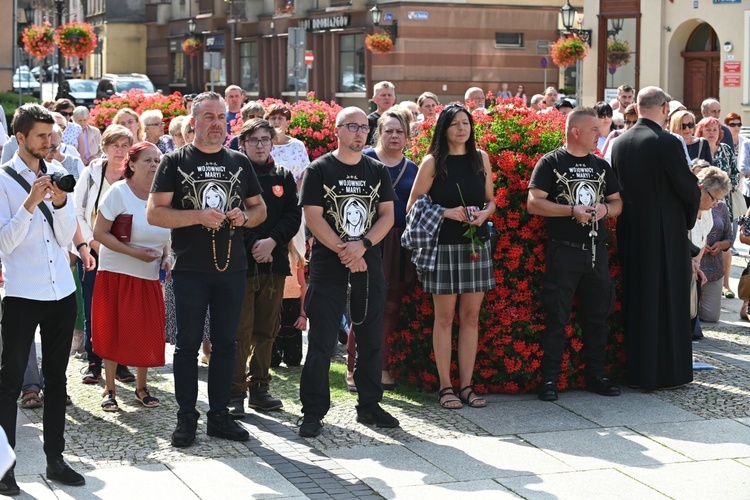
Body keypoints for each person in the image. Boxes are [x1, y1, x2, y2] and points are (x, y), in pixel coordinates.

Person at [148, 91, 266, 448]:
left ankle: (219, 415)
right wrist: (198, 216)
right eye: (210, 117)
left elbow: (259, 209)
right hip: (190, 269)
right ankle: (187, 416)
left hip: (232, 267)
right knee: (186, 345)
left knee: (227, 344)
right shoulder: (174, 160)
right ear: (194, 122)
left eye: (222, 118)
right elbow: (155, 213)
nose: (217, 124)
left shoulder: (239, 162)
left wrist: (244, 217)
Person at [0, 104, 85, 495]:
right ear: (21, 138)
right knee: (10, 382)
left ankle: (56, 459)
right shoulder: (2, 180)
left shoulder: (57, 177)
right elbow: (5, 243)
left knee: (57, 380)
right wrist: (30, 204)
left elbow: (66, 235)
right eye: (41, 137)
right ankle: (4, 468)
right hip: (21, 294)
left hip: (61, 293)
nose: (49, 143)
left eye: (51, 136)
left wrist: (62, 203)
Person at [298, 106, 398, 437]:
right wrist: (346, 250)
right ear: (337, 130)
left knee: (370, 340)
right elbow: (313, 218)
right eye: (352, 126)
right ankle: (312, 411)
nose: (359, 132)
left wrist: (363, 246)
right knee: (322, 342)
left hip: (367, 263)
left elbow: (387, 216)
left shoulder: (377, 170)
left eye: (364, 127)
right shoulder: (319, 169)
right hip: (329, 267)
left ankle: (369, 406)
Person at [527, 107, 623, 401]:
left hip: (596, 251)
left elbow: (617, 202)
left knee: (598, 316)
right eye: (594, 129)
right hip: (564, 252)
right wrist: (572, 211)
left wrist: (605, 210)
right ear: (576, 132)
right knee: (557, 317)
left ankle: (596, 375)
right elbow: (533, 203)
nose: (599, 134)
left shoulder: (601, 165)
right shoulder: (551, 162)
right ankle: (549, 380)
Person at [406, 104, 495, 410]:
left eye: (466, 123)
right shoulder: (432, 162)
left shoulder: (481, 158)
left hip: (476, 246)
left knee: (471, 318)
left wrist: (483, 215)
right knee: (444, 319)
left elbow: (491, 201)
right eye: (455, 123)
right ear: (444, 129)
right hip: (442, 248)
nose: (462, 128)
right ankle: (446, 388)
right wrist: (446, 212)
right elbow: (412, 207)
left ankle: (467, 386)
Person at [611, 86, 701, 390]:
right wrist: (689, 216)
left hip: (630, 232)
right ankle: (668, 372)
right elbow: (688, 188)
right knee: (667, 302)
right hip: (664, 235)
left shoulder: (620, 143)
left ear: (637, 107)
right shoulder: (667, 142)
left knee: (638, 299)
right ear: (664, 108)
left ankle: (638, 371)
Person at [228, 118, 301, 417]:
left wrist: (272, 242)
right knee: (240, 330)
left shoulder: (282, 175)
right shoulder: (234, 173)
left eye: (265, 140)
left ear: (272, 143)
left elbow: (292, 217)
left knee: (267, 330)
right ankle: (235, 392)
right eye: (254, 140)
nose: (260, 145)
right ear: (242, 143)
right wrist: (255, 245)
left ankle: (260, 387)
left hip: (276, 262)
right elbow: (231, 215)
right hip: (242, 264)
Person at [92, 142, 172, 411]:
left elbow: (168, 232)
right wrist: (134, 253)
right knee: (112, 330)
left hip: (148, 274)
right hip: (116, 271)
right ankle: (110, 389)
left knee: (146, 331)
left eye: (157, 160)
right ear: (133, 163)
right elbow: (99, 233)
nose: (154, 165)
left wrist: (168, 256)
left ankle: (141, 388)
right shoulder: (119, 192)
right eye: (148, 160)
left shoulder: (163, 194)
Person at [346, 108, 418, 391]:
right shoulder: (364, 161)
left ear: (408, 137)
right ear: (378, 133)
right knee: (363, 305)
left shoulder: (413, 169)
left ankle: (382, 366)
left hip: (399, 244)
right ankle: (353, 368)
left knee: (391, 306)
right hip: (368, 241)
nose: (394, 136)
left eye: (400, 131)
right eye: (388, 130)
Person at [73, 125, 137, 385]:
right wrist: (90, 242)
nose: (120, 151)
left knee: (122, 308)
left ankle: (120, 363)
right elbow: (77, 212)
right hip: (93, 251)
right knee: (93, 307)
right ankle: (94, 363)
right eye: (115, 145)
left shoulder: (135, 174)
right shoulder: (91, 173)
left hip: (125, 252)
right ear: (105, 148)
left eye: (125, 145)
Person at [695, 116, 743, 295]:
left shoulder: (726, 149)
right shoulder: (699, 147)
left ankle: (726, 284)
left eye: (715, 129)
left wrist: (723, 186)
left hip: (723, 199)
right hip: (703, 199)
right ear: (701, 131)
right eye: (708, 129)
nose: (712, 133)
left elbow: (735, 173)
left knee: (724, 240)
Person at [693, 167, 732, 323]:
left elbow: (703, 240)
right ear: (701, 189)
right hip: (684, 265)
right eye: (714, 198)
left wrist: (696, 262)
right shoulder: (684, 209)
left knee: (710, 316)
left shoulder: (712, 210)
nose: (716, 204)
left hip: (708, 266)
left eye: (719, 200)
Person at [266, 103, 311, 186]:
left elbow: (305, 176)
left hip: (294, 194)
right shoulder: (263, 145)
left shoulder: (298, 145)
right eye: (273, 118)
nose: (276, 121)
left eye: (280, 118)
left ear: (288, 122)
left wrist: (291, 192)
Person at [367, 81, 396, 145]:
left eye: (389, 95)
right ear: (374, 99)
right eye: (383, 95)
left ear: (394, 99)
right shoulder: (369, 121)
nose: (387, 98)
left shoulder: (400, 119)